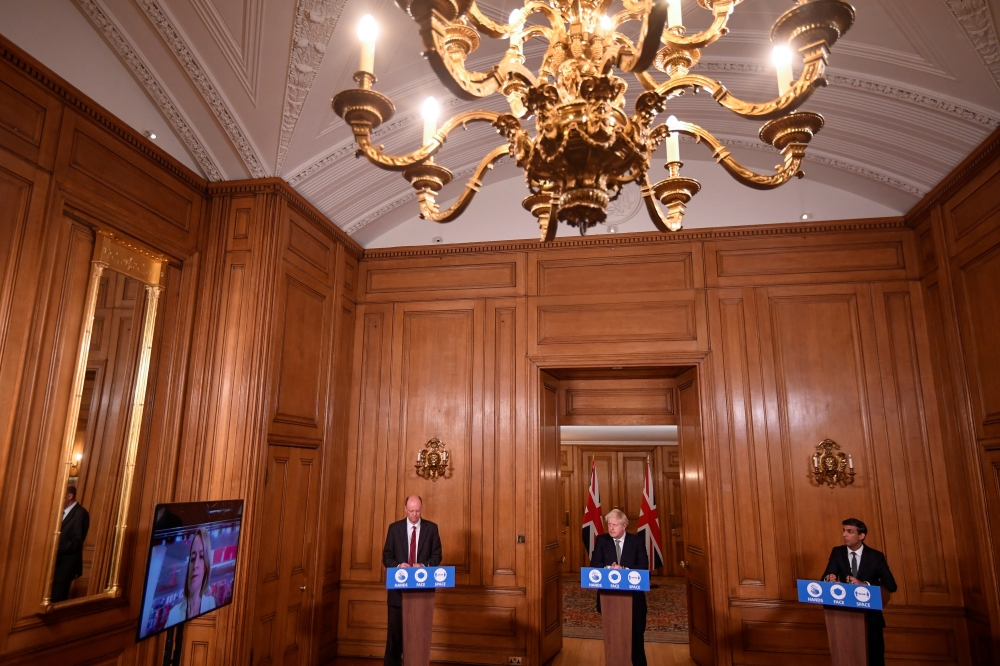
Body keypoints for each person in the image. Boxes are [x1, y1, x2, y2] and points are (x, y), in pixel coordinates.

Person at [822, 518, 897, 666]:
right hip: (843, 619)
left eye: (849, 531)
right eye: (844, 531)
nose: (844, 534)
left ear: (861, 536)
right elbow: (826, 577)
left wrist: (865, 584)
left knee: (874, 659)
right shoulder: (837, 553)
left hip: (870, 619)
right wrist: (828, 579)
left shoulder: (875, 556)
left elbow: (891, 585)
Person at [381, 495, 442, 666]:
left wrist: (424, 565)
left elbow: (437, 556)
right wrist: (398, 565)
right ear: (405, 509)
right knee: (394, 638)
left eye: (418, 511)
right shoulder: (394, 528)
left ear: (421, 509)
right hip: (397, 593)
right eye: (411, 511)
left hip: (422, 595)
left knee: (418, 638)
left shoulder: (432, 528)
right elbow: (386, 556)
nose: (415, 514)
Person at [589, 508, 648, 666]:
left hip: (634, 599)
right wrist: (609, 569)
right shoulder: (602, 540)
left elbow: (643, 567)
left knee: (635, 638)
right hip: (609, 599)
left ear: (624, 526)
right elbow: (594, 564)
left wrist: (624, 571)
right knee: (613, 638)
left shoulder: (636, 542)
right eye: (609, 525)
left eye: (615, 525)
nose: (611, 528)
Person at [167, 528, 216, 625]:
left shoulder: (211, 603)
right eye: (192, 558)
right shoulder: (174, 614)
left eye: (201, 557)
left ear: (206, 566)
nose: (195, 565)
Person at [51, 485, 90, 602]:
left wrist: (56, 547)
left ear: (69, 496)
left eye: (61, 495)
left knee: (57, 600)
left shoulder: (80, 513)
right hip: (53, 565)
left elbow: (77, 541)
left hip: (65, 567)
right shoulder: (58, 512)